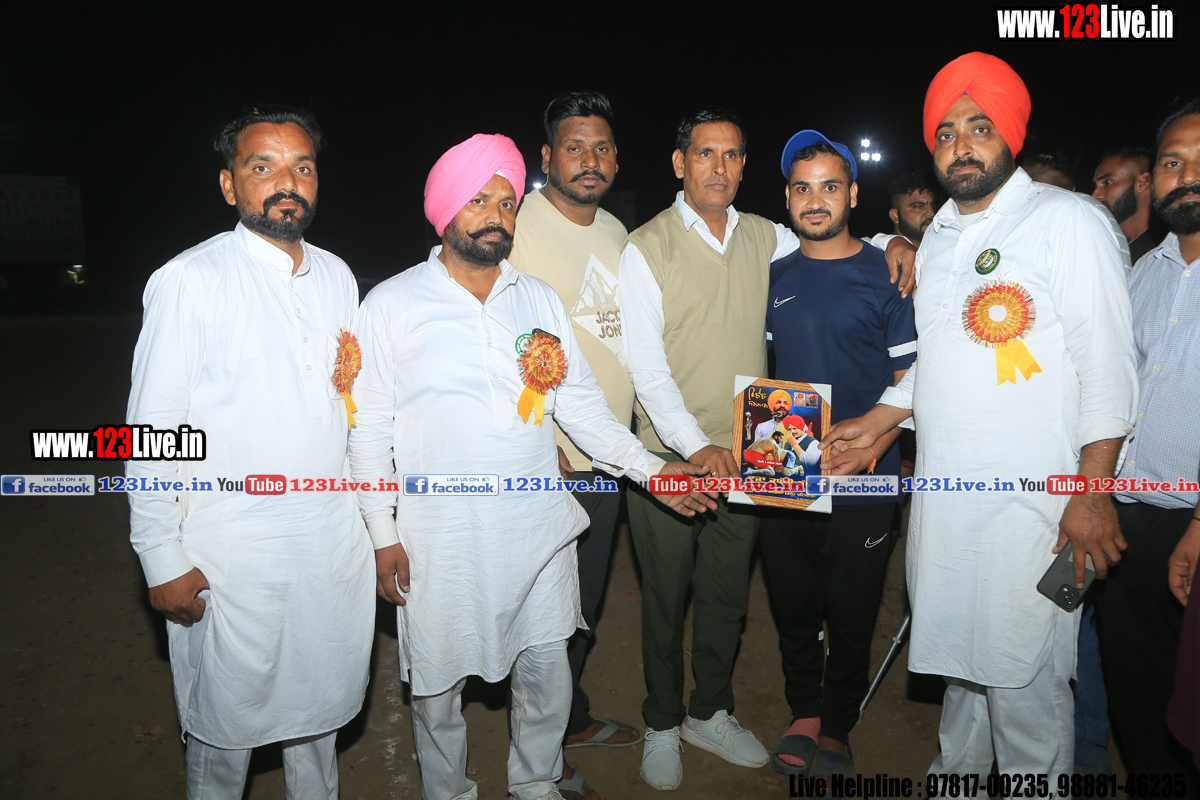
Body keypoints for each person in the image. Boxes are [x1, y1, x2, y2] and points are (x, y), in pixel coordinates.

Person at [348, 133, 716, 800]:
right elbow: (367, 428)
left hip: (538, 524)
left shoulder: (538, 300)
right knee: (437, 687)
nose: (495, 215)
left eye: (507, 203)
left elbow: (581, 406)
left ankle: (537, 782)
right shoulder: (392, 305)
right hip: (441, 535)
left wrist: (650, 470)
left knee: (547, 666)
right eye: (478, 201)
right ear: (445, 209)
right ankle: (448, 792)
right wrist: (381, 532)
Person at [818, 53, 1136, 780]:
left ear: (1011, 137)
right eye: (946, 132)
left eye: (979, 127)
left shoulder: (1068, 221)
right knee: (962, 676)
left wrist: (1092, 493)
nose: (960, 145)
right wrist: (878, 422)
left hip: (1035, 510)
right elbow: (941, 358)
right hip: (947, 505)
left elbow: (1109, 367)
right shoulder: (939, 237)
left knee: (1025, 689)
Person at [619, 108, 918, 792]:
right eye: (705, 153)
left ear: (746, 169)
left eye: (731, 155)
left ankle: (713, 712)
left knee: (733, 598)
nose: (718, 167)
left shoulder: (766, 239)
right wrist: (695, 447)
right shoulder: (646, 245)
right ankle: (663, 721)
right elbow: (647, 371)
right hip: (675, 457)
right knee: (669, 600)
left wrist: (899, 237)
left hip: (763, 459)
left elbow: (837, 235)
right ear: (680, 163)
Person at [125, 105, 375, 798]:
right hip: (230, 554)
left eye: (303, 167)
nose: (286, 182)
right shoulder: (190, 279)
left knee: (319, 718)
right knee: (224, 726)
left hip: (328, 545)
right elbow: (153, 426)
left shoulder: (337, 276)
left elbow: (349, 408)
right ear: (229, 184)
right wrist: (160, 553)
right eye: (262, 166)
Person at [761, 130, 916, 779]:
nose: (815, 199)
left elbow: (914, 378)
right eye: (803, 188)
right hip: (784, 468)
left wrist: (876, 444)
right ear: (787, 198)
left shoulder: (889, 273)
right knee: (794, 602)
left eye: (830, 186)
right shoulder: (773, 275)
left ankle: (838, 725)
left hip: (866, 471)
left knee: (853, 608)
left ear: (853, 194)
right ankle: (804, 711)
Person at [507, 90, 641, 800]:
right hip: (551, 461)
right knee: (544, 614)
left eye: (601, 148)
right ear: (547, 156)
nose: (589, 160)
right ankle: (539, 756)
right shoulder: (517, 227)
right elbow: (489, 339)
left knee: (582, 605)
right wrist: (537, 442)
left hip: (608, 457)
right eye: (573, 146)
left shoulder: (617, 232)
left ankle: (569, 718)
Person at [1096, 100, 1200, 797]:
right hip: (1126, 519)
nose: (1186, 176)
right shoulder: (1141, 272)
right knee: (1137, 699)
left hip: (1194, 523)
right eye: (1172, 162)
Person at [1092, 147, 1168, 265]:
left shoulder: (1166, 253)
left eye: (1107, 182)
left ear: (1143, 182)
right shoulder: (1098, 244)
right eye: (1096, 186)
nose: (1094, 195)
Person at [885, 170, 939, 243]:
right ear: (895, 215)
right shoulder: (877, 249)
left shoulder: (943, 245)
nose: (932, 213)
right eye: (919, 207)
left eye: (933, 205)